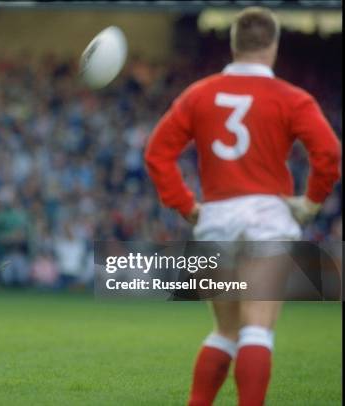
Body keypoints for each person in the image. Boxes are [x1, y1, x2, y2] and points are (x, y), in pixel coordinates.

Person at [144, 7, 341, 406]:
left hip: (215, 219)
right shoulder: (292, 97)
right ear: (273, 45)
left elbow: (157, 154)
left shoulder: (199, 93)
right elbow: (329, 153)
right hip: (267, 217)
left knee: (225, 331)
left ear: (234, 45)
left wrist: (187, 206)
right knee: (257, 329)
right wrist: (311, 202)